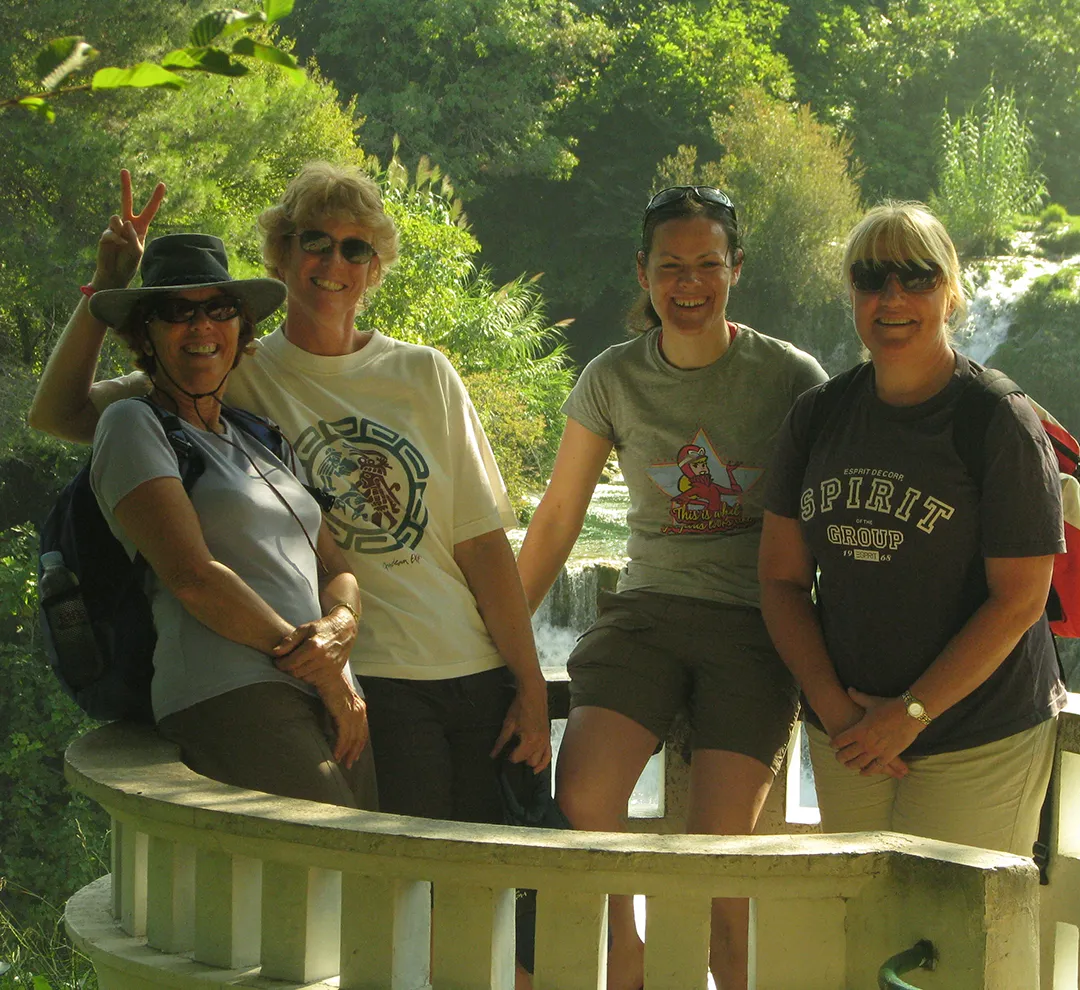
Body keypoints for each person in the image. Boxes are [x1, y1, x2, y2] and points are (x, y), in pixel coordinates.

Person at [28, 165, 550, 826]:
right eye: (316, 242)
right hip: (356, 681)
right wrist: (108, 288)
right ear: (280, 255)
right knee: (394, 884)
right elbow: (61, 415)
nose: (335, 261)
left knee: (491, 886)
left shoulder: (414, 375)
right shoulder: (226, 368)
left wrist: (528, 683)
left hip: (456, 670)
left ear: (374, 264)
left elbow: (479, 545)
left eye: (356, 247)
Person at [517, 186, 827, 990]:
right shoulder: (612, 378)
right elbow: (557, 518)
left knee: (717, 846)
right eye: (670, 268)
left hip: (753, 624)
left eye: (707, 265)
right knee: (583, 797)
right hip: (646, 613)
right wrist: (504, 638)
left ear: (736, 270)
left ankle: (726, 975)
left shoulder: (791, 376)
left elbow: (833, 516)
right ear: (643, 274)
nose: (688, 285)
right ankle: (628, 963)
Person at [758, 201, 1066, 857]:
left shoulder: (998, 421)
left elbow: (1020, 599)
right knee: (863, 931)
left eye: (917, 276)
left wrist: (908, 715)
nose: (892, 296)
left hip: (979, 736)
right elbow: (781, 581)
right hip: (848, 736)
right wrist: (841, 715)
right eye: (872, 278)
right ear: (852, 294)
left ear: (950, 293)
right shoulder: (816, 418)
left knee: (955, 939)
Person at [84, 224, 374, 808]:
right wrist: (320, 668)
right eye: (177, 311)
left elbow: (336, 567)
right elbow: (193, 577)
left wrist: (341, 625)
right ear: (147, 333)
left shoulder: (260, 437)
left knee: (370, 876)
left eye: (219, 308)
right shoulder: (132, 424)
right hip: (227, 691)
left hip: (323, 688)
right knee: (340, 861)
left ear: (242, 328)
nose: (201, 326)